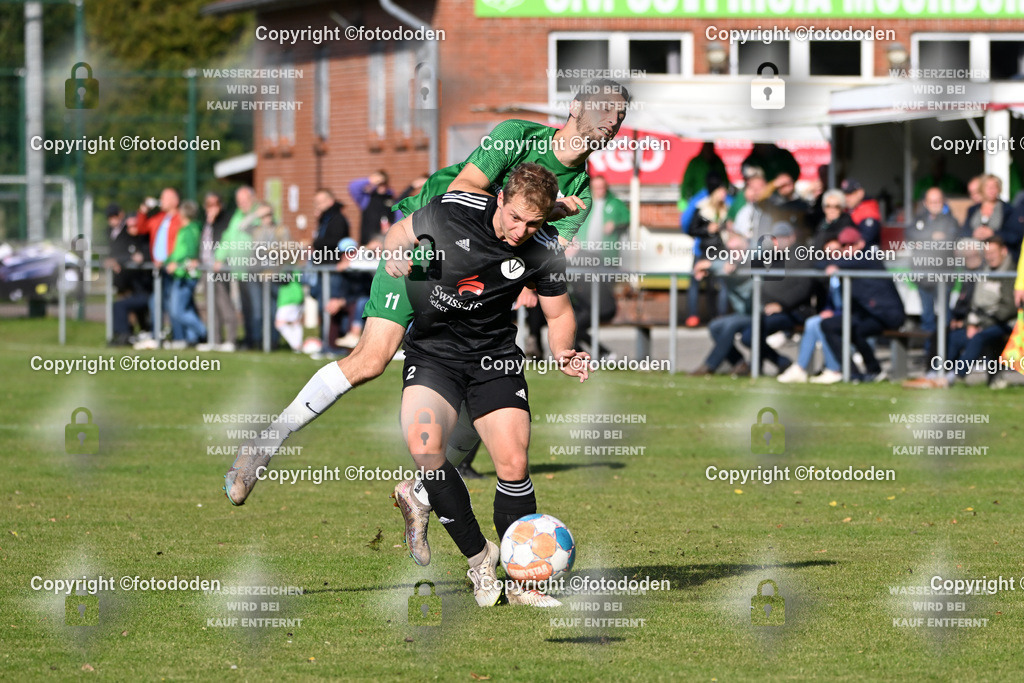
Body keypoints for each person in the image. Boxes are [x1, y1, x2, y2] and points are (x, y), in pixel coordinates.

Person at [223, 79, 629, 512]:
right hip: (424, 243)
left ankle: (418, 495)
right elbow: (464, 193)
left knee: (483, 393)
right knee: (370, 361)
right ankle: (265, 444)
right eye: (604, 108)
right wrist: (548, 209)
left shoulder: (581, 192)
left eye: (620, 115)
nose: (612, 119)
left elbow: (543, 263)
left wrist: (549, 315)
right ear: (574, 106)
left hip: (473, 279)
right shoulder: (519, 136)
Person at [384, 163, 588, 607]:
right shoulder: (451, 210)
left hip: (493, 358)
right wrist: (395, 252)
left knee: (513, 462)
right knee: (426, 450)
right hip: (433, 355)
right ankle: (481, 561)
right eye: (515, 218)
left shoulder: (542, 247)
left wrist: (565, 350)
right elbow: (398, 232)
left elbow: (558, 313)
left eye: (534, 222)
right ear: (499, 199)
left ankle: (523, 584)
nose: (521, 231)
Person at [904, 237, 1016, 389]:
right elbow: (973, 304)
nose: (990, 256)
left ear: (1004, 251)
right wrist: (968, 323)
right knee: (953, 336)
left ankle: (954, 376)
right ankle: (936, 373)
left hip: (1005, 323)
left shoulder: (1011, 274)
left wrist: (979, 325)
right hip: (980, 321)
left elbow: (1008, 309)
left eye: (993, 253)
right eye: (987, 253)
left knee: (978, 337)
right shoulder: (984, 271)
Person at [819, 227, 906, 382]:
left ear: (861, 243)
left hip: (887, 314)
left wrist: (834, 262)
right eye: (843, 246)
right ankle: (854, 373)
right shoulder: (847, 261)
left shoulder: (868, 257)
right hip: (868, 314)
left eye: (850, 245)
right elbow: (821, 264)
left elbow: (840, 263)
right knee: (828, 325)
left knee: (854, 330)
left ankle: (871, 371)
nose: (847, 249)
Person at [738, 223, 815, 374]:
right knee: (748, 335)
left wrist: (781, 305)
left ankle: (764, 366)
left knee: (752, 334)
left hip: (795, 311)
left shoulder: (802, 255)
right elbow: (760, 285)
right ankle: (780, 363)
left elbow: (803, 289)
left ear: (791, 237)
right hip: (769, 310)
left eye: (782, 237)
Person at [688, 233, 754, 376]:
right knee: (715, 326)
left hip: (757, 312)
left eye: (737, 249)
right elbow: (722, 265)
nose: (734, 253)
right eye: (731, 250)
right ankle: (739, 362)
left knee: (730, 325)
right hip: (742, 314)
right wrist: (706, 268)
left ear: (746, 246)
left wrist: (711, 265)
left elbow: (736, 267)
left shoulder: (753, 257)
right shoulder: (729, 261)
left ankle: (709, 366)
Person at [909, 188, 959, 365]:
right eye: (931, 201)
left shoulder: (950, 221)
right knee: (928, 319)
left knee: (945, 318)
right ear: (925, 203)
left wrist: (926, 240)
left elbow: (948, 240)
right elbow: (910, 236)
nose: (934, 205)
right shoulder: (919, 220)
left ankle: (945, 357)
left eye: (938, 201)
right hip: (923, 277)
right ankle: (930, 356)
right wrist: (932, 236)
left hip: (943, 277)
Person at [133, 188, 185, 346]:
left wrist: (171, 259)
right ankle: (157, 337)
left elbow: (181, 244)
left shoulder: (180, 219)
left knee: (174, 305)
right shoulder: (159, 219)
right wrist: (143, 210)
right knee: (155, 302)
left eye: (165, 198)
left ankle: (179, 337)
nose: (161, 200)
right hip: (160, 269)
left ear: (175, 201)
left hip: (173, 268)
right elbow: (140, 228)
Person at [686, 174, 732, 327]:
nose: (724, 192)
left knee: (721, 285)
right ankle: (693, 315)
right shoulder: (702, 208)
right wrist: (707, 229)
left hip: (721, 252)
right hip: (703, 252)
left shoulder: (727, 208)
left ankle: (720, 316)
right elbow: (691, 228)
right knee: (696, 283)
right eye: (721, 189)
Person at [309, 188, 352, 354]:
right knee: (323, 305)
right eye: (316, 202)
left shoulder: (338, 219)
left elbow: (334, 242)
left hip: (333, 270)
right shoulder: (325, 219)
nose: (318, 206)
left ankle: (334, 344)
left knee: (332, 306)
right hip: (322, 269)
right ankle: (327, 342)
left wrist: (317, 244)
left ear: (330, 201)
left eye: (320, 202)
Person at [196, 192, 237, 352]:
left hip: (220, 269)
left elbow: (226, 242)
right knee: (210, 305)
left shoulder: (226, 221)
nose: (211, 208)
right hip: (207, 269)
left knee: (224, 303)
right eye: (208, 205)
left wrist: (221, 260)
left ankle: (231, 340)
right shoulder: (206, 223)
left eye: (214, 205)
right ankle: (215, 339)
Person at [106, 204, 151, 346]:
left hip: (146, 288)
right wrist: (119, 260)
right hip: (131, 285)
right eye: (129, 226)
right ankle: (123, 335)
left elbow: (143, 255)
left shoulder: (144, 240)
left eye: (134, 226)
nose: (131, 229)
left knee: (122, 306)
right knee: (123, 306)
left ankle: (125, 335)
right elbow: (120, 255)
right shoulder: (124, 238)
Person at [348, 170, 396, 244]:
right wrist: (370, 180)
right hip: (368, 241)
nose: (382, 187)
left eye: (384, 184)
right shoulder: (367, 198)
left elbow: (397, 215)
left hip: (384, 240)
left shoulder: (390, 198)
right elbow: (353, 186)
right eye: (379, 184)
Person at [678, 141, 727, 213]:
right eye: (707, 147)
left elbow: (725, 181)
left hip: (716, 202)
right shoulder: (695, 162)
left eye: (711, 147)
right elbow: (686, 183)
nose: (709, 150)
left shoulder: (718, 162)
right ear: (703, 148)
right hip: (698, 201)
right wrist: (683, 198)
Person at [840, 178, 883, 249]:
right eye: (845, 194)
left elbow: (865, 239)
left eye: (850, 194)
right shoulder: (847, 210)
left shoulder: (869, 210)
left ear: (860, 193)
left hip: (867, 254)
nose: (847, 198)